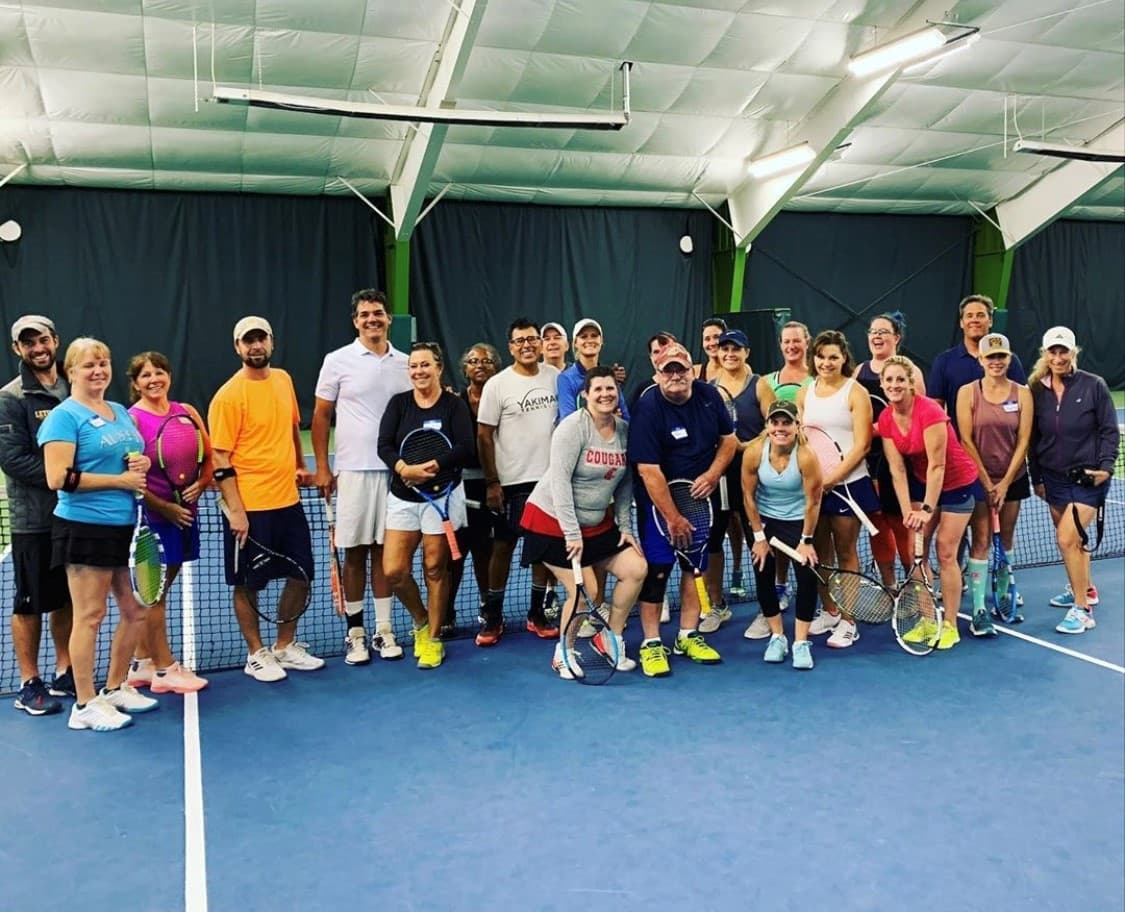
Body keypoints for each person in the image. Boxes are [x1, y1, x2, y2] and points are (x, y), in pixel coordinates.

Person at [39, 337, 158, 730]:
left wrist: (137, 461)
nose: (98, 370)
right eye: (88, 364)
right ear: (70, 371)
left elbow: (128, 455)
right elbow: (59, 477)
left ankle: (114, 687)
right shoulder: (63, 416)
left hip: (123, 525)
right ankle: (84, 705)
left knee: (135, 610)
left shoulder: (120, 411)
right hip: (83, 527)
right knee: (89, 616)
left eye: (103, 362)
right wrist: (119, 480)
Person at [209, 316, 323, 682]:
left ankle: (284, 646)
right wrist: (236, 511)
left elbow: (291, 426)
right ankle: (256, 653)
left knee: (302, 574)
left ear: (271, 342)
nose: (255, 346)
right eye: (248, 341)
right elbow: (220, 457)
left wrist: (301, 466)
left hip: (288, 501)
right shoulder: (228, 396)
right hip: (251, 508)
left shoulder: (284, 380)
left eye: (261, 339)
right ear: (237, 347)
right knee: (248, 583)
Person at [520, 366, 647, 678]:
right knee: (583, 590)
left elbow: (624, 484)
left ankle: (610, 637)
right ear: (585, 395)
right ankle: (563, 651)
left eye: (610, 389)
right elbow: (560, 482)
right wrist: (571, 533)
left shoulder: (623, 431)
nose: (605, 394)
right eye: (598, 389)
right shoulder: (572, 427)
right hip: (551, 522)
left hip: (595, 523)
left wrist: (626, 528)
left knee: (636, 569)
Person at [312, 289, 412, 665]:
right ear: (355, 321)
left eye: (378, 313)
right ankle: (355, 634)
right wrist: (323, 467)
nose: (372, 319)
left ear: (389, 319)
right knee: (353, 553)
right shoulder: (337, 361)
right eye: (365, 314)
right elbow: (321, 416)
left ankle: (384, 630)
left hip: (396, 473)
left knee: (384, 555)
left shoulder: (406, 363)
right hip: (353, 471)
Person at [628, 342, 736, 677]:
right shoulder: (648, 406)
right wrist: (673, 517)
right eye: (667, 370)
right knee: (658, 571)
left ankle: (688, 635)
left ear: (692, 370)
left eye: (681, 369)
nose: (675, 375)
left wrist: (713, 474)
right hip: (659, 502)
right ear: (657, 375)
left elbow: (729, 440)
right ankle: (650, 643)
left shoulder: (709, 396)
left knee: (694, 568)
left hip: (701, 498)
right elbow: (648, 469)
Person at [878, 355, 987, 650]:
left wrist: (926, 510)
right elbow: (897, 470)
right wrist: (907, 513)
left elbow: (937, 466)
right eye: (889, 380)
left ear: (911, 383)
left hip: (957, 483)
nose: (894, 384)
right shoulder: (887, 418)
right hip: (924, 483)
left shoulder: (930, 412)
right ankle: (929, 620)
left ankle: (949, 624)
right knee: (917, 552)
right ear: (882, 384)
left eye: (900, 379)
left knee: (946, 552)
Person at [377, 343, 474, 669]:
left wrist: (431, 466)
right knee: (394, 570)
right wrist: (404, 469)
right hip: (403, 497)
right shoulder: (399, 404)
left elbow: (465, 446)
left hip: (443, 496)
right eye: (414, 366)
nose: (419, 371)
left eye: (425, 365)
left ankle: (433, 639)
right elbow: (384, 445)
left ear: (438, 368)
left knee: (435, 568)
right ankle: (419, 620)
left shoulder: (453, 405)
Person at [125, 352, 213, 693]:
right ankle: (165, 669)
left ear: (169, 376)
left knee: (159, 590)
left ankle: (142, 662)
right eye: (145, 375)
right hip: (152, 519)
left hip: (186, 514)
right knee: (153, 595)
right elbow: (130, 479)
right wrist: (164, 507)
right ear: (135, 384)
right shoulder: (131, 421)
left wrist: (202, 484)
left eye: (159, 372)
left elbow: (208, 458)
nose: (153, 379)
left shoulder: (187, 412)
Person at [1, 315, 73, 716]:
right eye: (28, 343)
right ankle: (30, 682)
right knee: (29, 602)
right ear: (18, 350)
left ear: (55, 340)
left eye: (42, 339)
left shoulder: (74, 386)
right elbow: (12, 460)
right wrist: (67, 479)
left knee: (67, 598)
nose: (37, 348)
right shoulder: (10, 397)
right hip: (33, 520)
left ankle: (64, 670)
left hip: (74, 516)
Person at [1027, 327, 1119, 635]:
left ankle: (1082, 609)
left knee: (1067, 539)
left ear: (1073, 353)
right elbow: (1033, 437)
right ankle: (1086, 587)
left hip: (1087, 479)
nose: (1058, 357)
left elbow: (1108, 430)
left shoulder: (1094, 385)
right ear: (1045, 354)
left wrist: (1105, 468)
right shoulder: (1036, 390)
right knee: (1074, 542)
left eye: (1063, 351)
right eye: (1052, 351)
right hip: (1052, 479)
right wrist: (1037, 476)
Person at [476, 318, 561, 644]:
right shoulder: (497, 385)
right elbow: (484, 436)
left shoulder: (555, 377)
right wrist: (492, 482)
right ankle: (493, 616)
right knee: (503, 548)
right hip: (510, 484)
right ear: (511, 347)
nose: (526, 345)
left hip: (549, 480)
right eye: (519, 341)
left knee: (542, 551)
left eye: (532, 339)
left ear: (539, 343)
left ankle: (537, 613)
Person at [797, 330, 878, 649]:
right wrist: (814, 480)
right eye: (821, 356)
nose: (827, 362)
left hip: (849, 484)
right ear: (813, 359)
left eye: (833, 356)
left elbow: (862, 445)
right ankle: (830, 610)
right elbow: (802, 439)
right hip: (816, 487)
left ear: (844, 358)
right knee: (819, 553)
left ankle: (849, 620)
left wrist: (831, 479)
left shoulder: (855, 392)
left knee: (846, 552)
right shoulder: (806, 391)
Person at [955, 332, 1033, 627]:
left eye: (1001, 356)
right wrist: (987, 483)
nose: (996, 361)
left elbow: (1024, 439)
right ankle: (978, 610)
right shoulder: (967, 392)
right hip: (977, 478)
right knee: (983, 539)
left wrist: (1004, 483)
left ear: (1009, 358)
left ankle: (1001, 598)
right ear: (981, 359)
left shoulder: (1022, 393)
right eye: (991, 357)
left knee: (1007, 539)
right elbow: (966, 439)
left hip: (1012, 479)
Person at [741, 400, 823, 670]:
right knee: (763, 572)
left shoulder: (806, 456)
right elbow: (748, 497)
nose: (780, 428)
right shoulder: (754, 452)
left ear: (796, 425)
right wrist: (759, 537)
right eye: (774, 422)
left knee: (807, 577)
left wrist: (806, 541)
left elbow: (813, 502)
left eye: (786, 422)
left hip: (799, 520)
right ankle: (777, 636)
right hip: (765, 519)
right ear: (767, 426)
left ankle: (800, 641)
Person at [703, 328, 775, 635]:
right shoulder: (708, 388)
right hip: (718, 475)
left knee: (757, 538)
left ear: (746, 352)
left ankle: (765, 608)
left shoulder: (759, 386)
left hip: (753, 474)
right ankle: (717, 605)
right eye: (724, 349)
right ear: (717, 353)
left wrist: (747, 447)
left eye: (736, 349)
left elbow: (774, 426)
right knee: (713, 539)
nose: (730, 354)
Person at [855, 312, 926, 588]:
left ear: (896, 338)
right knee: (877, 524)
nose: (877, 336)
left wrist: (882, 429)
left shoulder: (911, 372)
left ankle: (915, 586)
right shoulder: (859, 372)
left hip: (903, 462)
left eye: (883, 331)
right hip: (867, 461)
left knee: (903, 523)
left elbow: (920, 416)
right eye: (873, 331)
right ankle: (890, 587)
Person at [444, 342, 504, 634]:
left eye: (487, 360)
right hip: (458, 486)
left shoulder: (505, 397)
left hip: (495, 483)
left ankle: (487, 606)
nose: (480, 364)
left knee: (484, 549)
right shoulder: (452, 401)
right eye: (473, 360)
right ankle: (445, 611)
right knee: (454, 552)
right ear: (464, 368)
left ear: (497, 366)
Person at [763, 320, 814, 616]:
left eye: (797, 340)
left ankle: (814, 600)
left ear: (806, 342)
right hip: (775, 469)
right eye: (786, 341)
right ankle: (780, 585)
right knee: (779, 535)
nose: (792, 346)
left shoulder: (816, 380)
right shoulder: (768, 381)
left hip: (808, 468)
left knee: (809, 535)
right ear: (780, 345)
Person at [929, 293, 1028, 414]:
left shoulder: (1009, 360)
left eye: (980, 315)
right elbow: (935, 408)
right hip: (957, 433)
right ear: (961, 322)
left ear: (990, 321)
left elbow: (1023, 401)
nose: (974, 320)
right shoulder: (944, 361)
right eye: (969, 316)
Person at [557, 318, 630, 422]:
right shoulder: (566, 379)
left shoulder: (610, 376)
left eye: (594, 336)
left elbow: (625, 418)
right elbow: (568, 421)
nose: (590, 340)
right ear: (575, 343)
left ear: (601, 341)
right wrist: (606, 418)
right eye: (583, 337)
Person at [693, 317, 727, 382]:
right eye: (707, 339)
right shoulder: (694, 372)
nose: (712, 343)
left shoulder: (738, 370)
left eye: (716, 337)